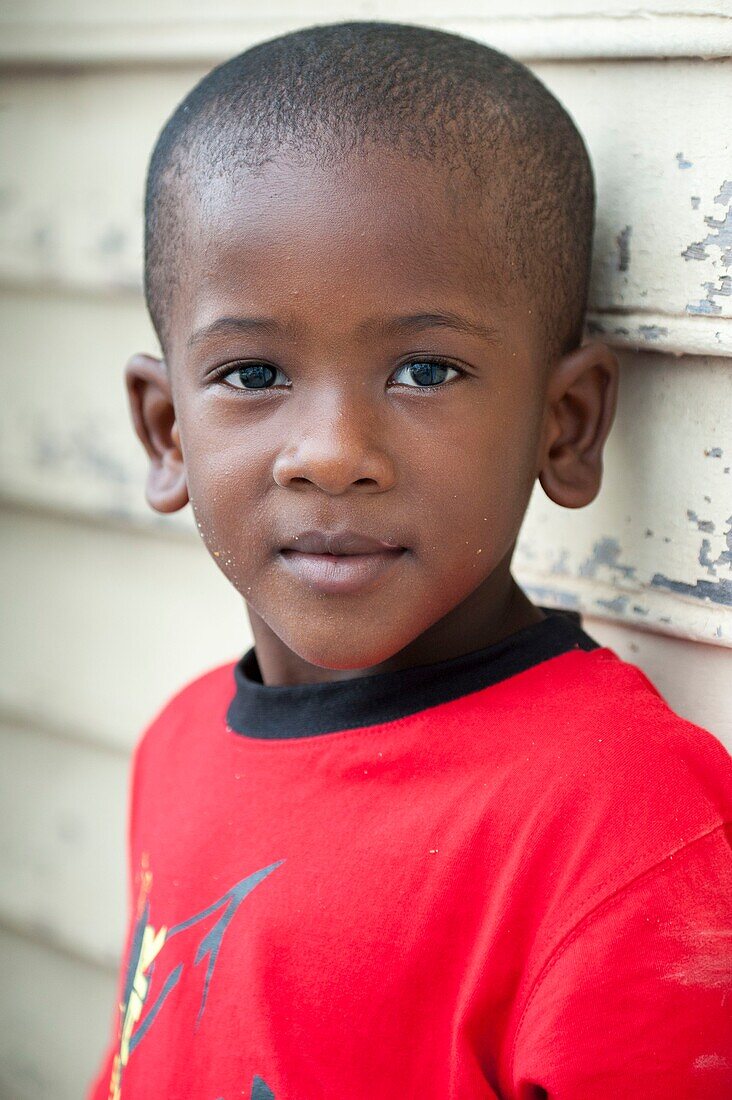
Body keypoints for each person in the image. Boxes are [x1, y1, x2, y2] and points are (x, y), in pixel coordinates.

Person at [87, 21, 731, 1100]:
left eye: (426, 368)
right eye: (252, 373)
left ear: (563, 424)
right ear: (166, 433)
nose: (334, 453)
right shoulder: (177, 745)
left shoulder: (626, 827)